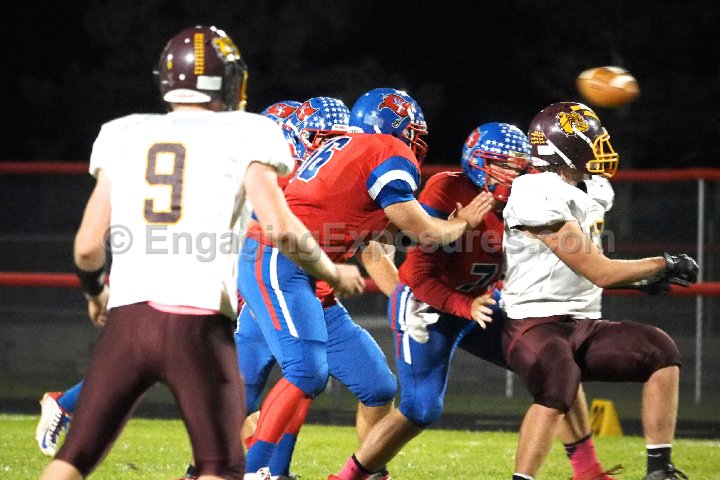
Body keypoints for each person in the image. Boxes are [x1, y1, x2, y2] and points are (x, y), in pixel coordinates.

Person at [40, 25, 364, 480]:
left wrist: (96, 293)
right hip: (199, 323)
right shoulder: (250, 132)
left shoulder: (122, 132)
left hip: (129, 319)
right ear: (230, 81)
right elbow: (281, 229)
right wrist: (331, 270)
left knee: (73, 460)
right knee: (220, 466)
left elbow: (88, 245)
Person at [330, 123, 619, 480]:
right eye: (503, 164)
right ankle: (347, 477)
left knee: (554, 364)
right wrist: (464, 306)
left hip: (481, 300)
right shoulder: (448, 190)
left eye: (519, 164)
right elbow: (419, 278)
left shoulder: (530, 194)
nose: (513, 173)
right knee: (421, 408)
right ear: (478, 162)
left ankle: (588, 470)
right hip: (426, 307)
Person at [237, 87, 496, 479]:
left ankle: (363, 473)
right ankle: (256, 470)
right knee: (296, 374)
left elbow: (376, 250)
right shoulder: (385, 149)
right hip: (277, 262)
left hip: (311, 284)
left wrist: (412, 300)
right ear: (396, 128)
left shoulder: (353, 158)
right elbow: (424, 231)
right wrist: (462, 223)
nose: (416, 142)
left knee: (376, 384)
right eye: (412, 132)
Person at [501, 101, 697, 480]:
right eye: (593, 141)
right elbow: (600, 271)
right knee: (558, 380)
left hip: (584, 322)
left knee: (661, 352)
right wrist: (664, 264)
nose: (601, 147)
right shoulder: (535, 192)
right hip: (534, 323)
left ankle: (660, 471)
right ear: (564, 148)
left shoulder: (591, 188)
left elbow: (589, 265)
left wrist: (639, 280)